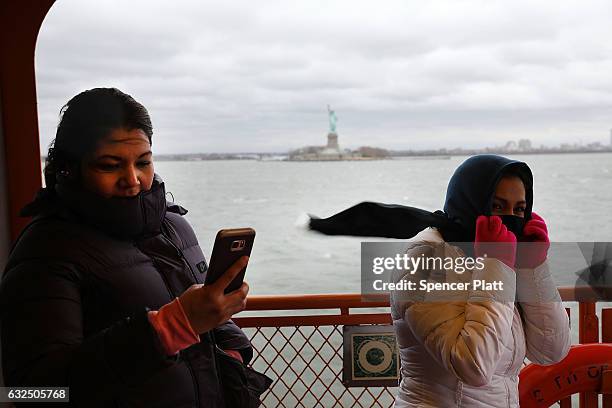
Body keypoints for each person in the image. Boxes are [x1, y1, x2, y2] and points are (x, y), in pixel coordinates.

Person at [0, 88, 267, 407]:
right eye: (110, 165)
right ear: (70, 168)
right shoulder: (46, 249)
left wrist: (233, 349)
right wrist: (170, 327)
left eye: (143, 162)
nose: (133, 179)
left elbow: (204, 310)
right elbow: (34, 393)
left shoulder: (175, 226)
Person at [309, 155, 571, 407]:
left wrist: (532, 267)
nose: (510, 219)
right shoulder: (425, 260)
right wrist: (497, 265)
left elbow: (551, 351)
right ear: (470, 202)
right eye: (497, 206)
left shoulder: (495, 257)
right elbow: (474, 366)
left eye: (520, 209)